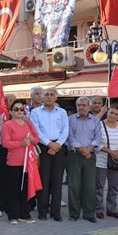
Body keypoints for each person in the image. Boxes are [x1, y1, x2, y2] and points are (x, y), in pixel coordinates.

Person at [29, 88, 69, 221]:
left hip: (59, 147)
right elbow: (36, 130)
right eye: (46, 94)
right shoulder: (35, 112)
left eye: (52, 95)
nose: (49, 97)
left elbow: (65, 130)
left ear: (56, 97)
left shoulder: (62, 112)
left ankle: (56, 212)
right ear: (42, 97)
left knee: (57, 181)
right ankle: (42, 211)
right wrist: (49, 144)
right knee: (43, 181)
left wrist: (57, 144)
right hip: (43, 148)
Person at [1, 101, 40, 224]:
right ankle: (13, 214)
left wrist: (32, 140)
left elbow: (37, 138)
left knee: (25, 189)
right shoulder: (7, 125)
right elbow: (5, 143)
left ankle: (24, 213)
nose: (19, 112)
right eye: (16, 109)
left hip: (28, 162)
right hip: (14, 162)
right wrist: (21, 143)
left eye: (21, 109)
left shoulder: (28, 123)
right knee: (14, 189)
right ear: (11, 111)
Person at [66, 97, 101, 222]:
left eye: (84, 105)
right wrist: (82, 149)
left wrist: (89, 149)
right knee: (74, 185)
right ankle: (74, 214)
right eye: (79, 105)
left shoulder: (96, 121)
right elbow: (69, 136)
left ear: (89, 107)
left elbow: (98, 137)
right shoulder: (70, 120)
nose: (81, 107)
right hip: (75, 155)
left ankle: (89, 213)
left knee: (89, 186)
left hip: (90, 156)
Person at [95, 106, 118, 220]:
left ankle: (111, 209)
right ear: (107, 113)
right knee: (99, 186)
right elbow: (96, 143)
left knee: (113, 186)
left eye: (116, 114)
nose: (112, 115)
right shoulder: (99, 125)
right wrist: (110, 151)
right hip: (101, 160)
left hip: (115, 161)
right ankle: (98, 209)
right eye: (111, 113)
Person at [0, 93, 16, 217]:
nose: (10, 102)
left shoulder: (19, 117)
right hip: (0, 148)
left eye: (13, 100)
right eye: (7, 100)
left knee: (11, 178)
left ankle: (9, 204)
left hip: (14, 149)